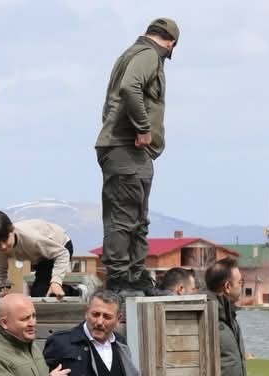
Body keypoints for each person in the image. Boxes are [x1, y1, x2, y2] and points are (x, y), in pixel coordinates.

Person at [96, 18, 180, 293]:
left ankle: (134, 276)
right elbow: (130, 87)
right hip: (126, 149)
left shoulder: (131, 54)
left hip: (128, 151)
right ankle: (121, 280)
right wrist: (143, 128)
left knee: (137, 219)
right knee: (124, 218)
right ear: (171, 44)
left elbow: (110, 107)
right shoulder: (148, 56)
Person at [0, 209, 72, 299]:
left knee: (42, 292)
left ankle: (73, 293)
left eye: (5, 240)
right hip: (40, 257)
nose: (3, 247)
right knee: (38, 291)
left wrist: (56, 282)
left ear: (12, 229)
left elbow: (62, 253)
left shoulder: (33, 239)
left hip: (60, 247)